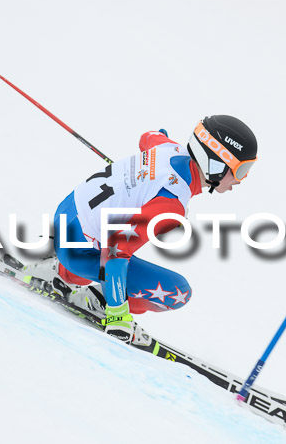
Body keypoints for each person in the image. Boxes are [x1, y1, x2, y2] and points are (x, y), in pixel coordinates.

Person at [29, 115, 257, 345]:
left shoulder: (168, 148)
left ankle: (60, 272)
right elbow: (116, 251)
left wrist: (141, 178)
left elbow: (148, 137)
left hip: (65, 216)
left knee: (101, 240)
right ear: (216, 164)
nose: (242, 179)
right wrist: (118, 316)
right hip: (79, 250)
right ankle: (101, 301)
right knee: (178, 293)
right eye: (240, 169)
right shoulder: (170, 203)